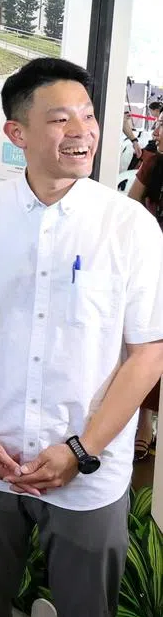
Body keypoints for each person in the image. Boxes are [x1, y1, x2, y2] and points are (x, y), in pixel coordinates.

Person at [0, 57, 163, 617]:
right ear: (16, 133)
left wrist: (81, 449)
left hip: (88, 474)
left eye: (87, 115)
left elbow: (148, 354)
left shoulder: (129, 227)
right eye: (60, 118)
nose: (81, 130)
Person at [128, 110, 163, 460]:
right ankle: (144, 420)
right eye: (160, 123)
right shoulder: (152, 164)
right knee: (149, 342)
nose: (161, 130)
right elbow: (130, 205)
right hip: (153, 266)